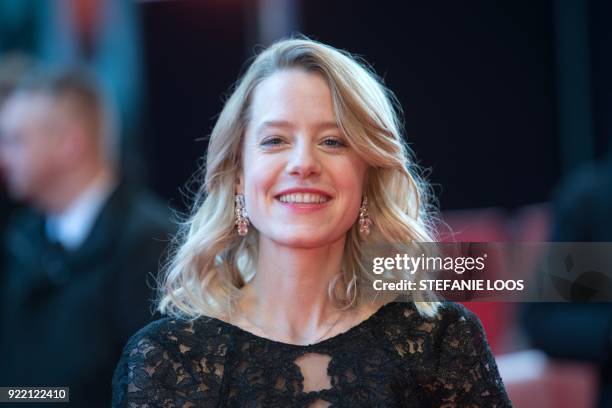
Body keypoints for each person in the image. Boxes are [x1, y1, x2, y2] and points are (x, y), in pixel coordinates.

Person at [112, 38, 512, 407]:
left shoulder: (442, 342)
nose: (303, 163)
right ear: (238, 173)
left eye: (333, 141)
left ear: (367, 174)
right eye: (275, 141)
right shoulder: (165, 360)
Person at [0, 69, 173, 407]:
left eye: (15, 140)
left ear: (68, 144)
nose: (3, 158)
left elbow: (145, 388)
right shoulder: (22, 239)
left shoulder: (150, 245)